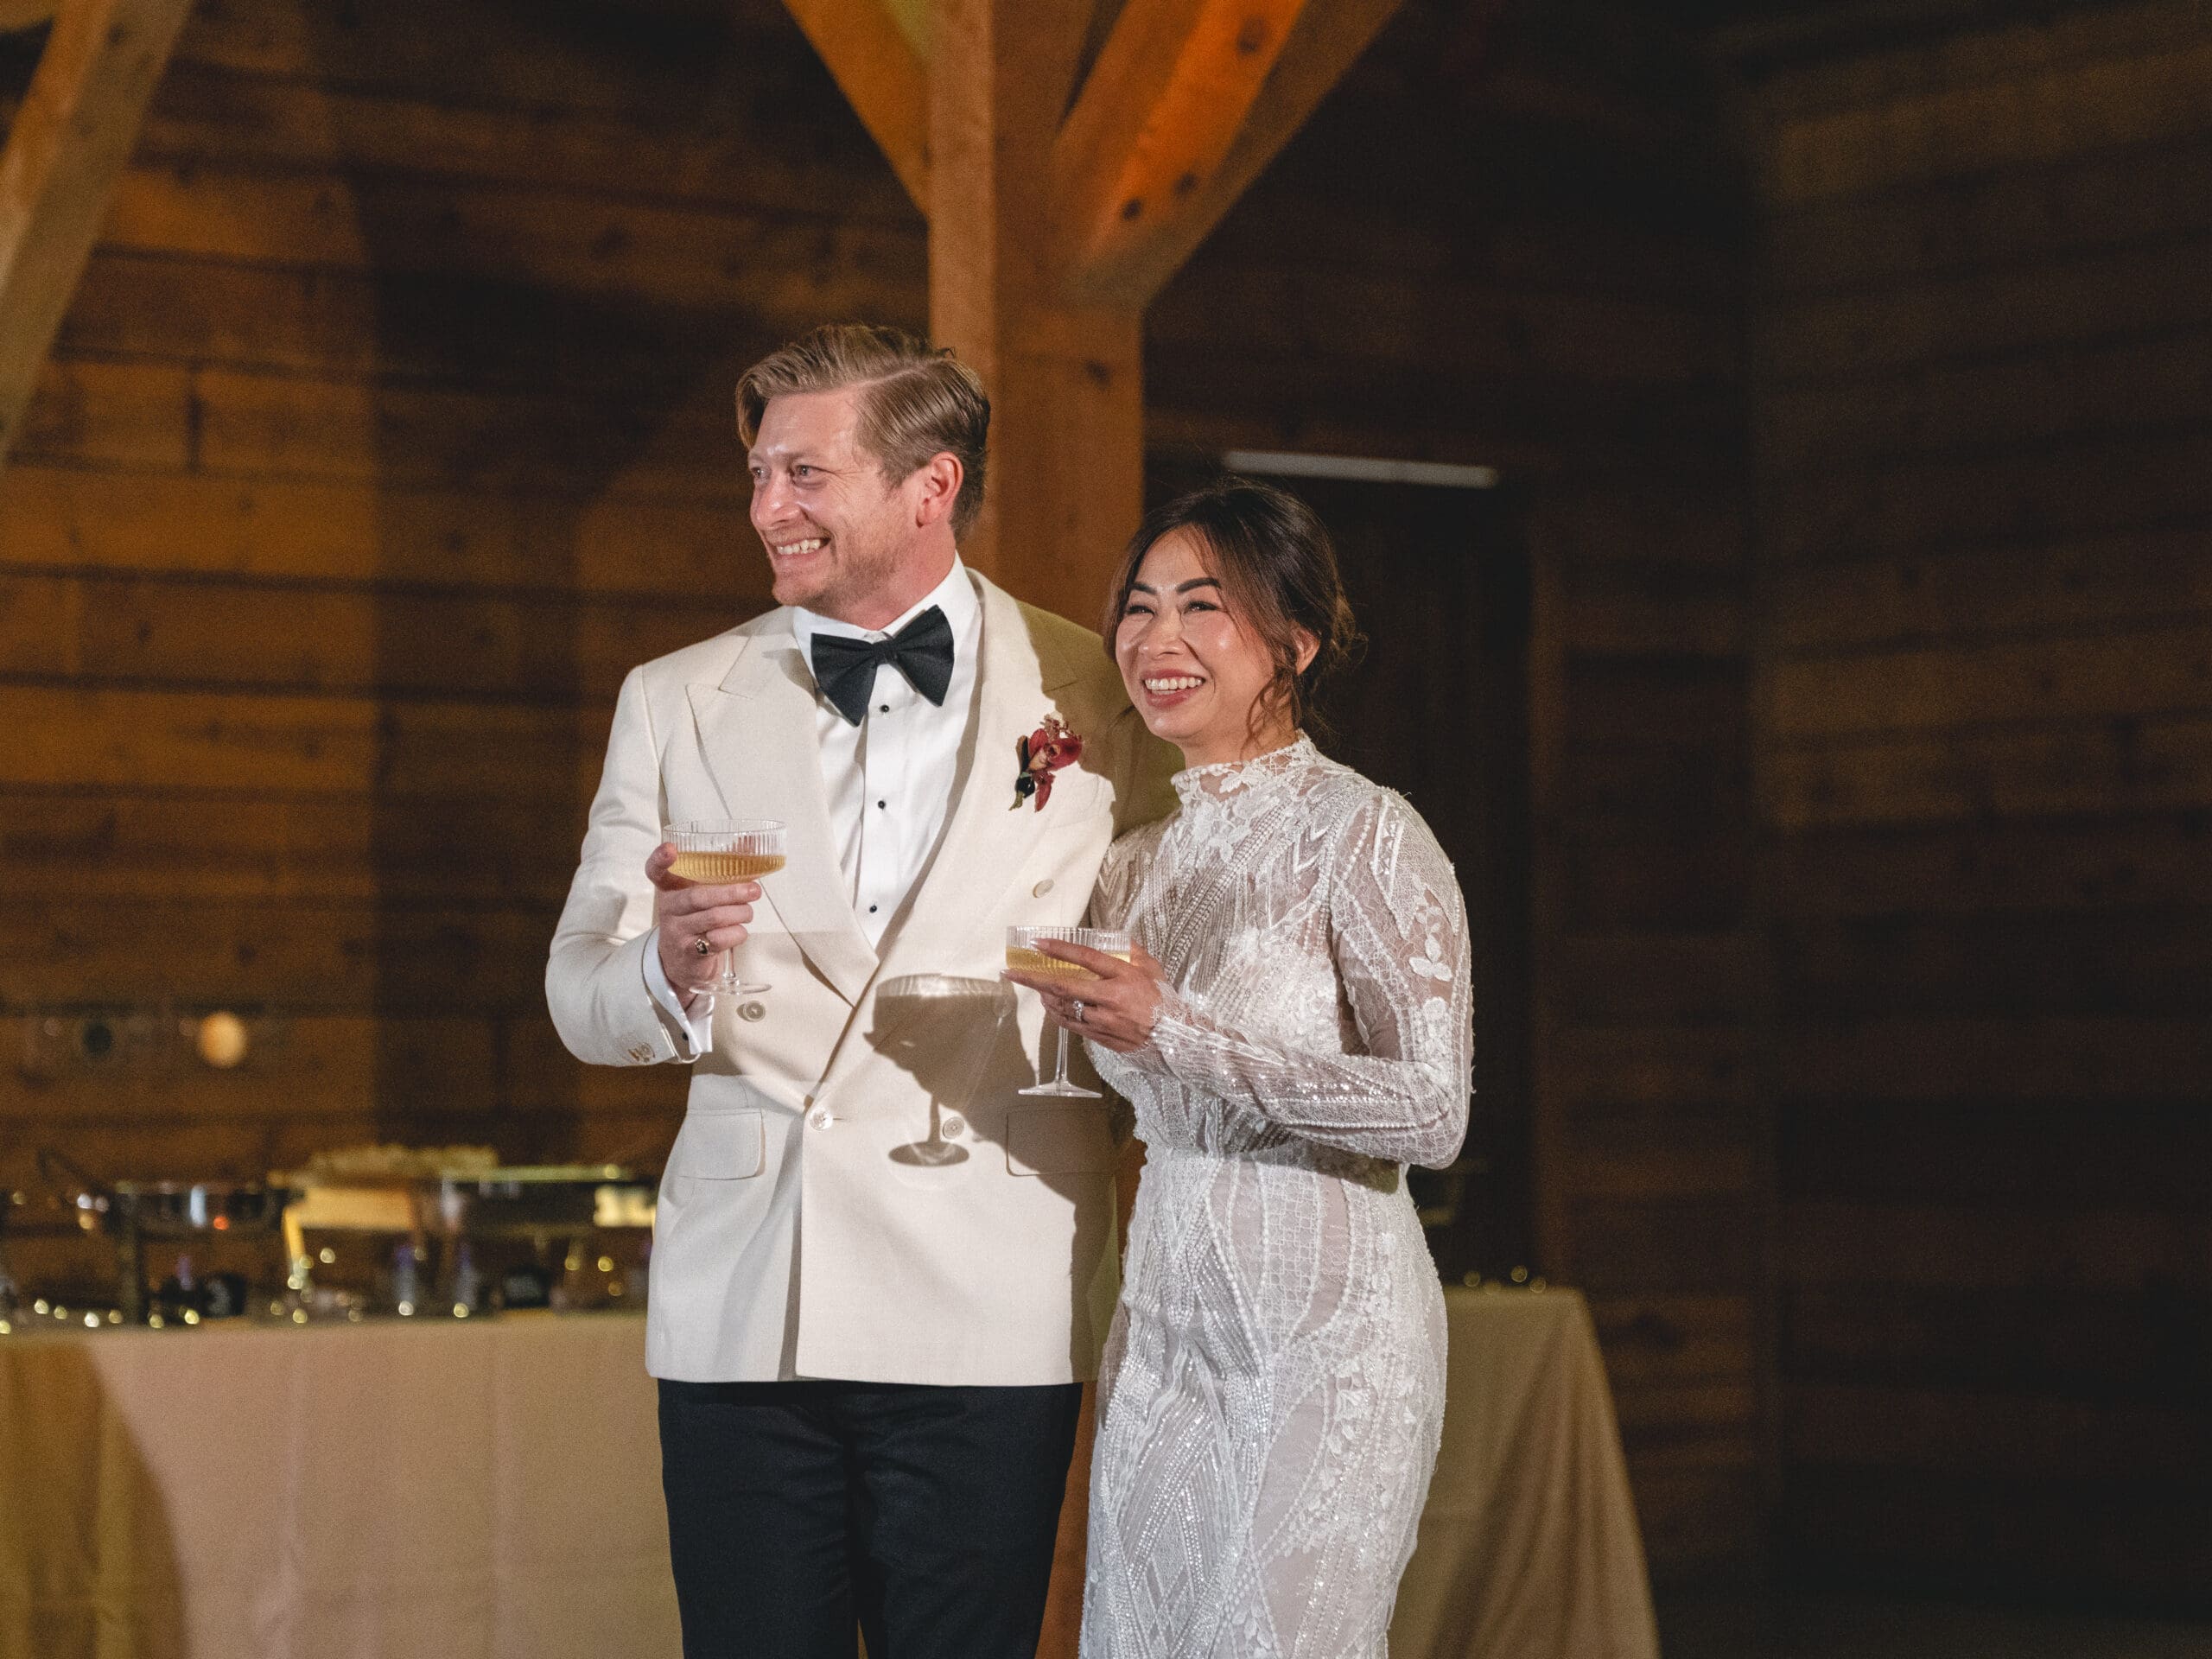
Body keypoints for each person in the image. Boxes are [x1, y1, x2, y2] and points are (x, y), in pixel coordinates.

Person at [546, 323, 1172, 1659]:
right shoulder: (675, 699)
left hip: (991, 1291)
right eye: (760, 474)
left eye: (805, 474)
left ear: (930, 486)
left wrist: (1121, 1030)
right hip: (747, 1302)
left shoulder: (1097, 695)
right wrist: (665, 967)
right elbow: (577, 995)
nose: (767, 507)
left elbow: (1166, 978)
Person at [1005, 478, 1475, 1658]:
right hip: (1165, 1331)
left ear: (1294, 643)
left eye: (1201, 608)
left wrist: (1179, 1032)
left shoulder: (1364, 832)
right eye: (1139, 608)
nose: (1158, 640)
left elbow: (1433, 1111)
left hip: (1330, 1338)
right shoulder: (1131, 867)